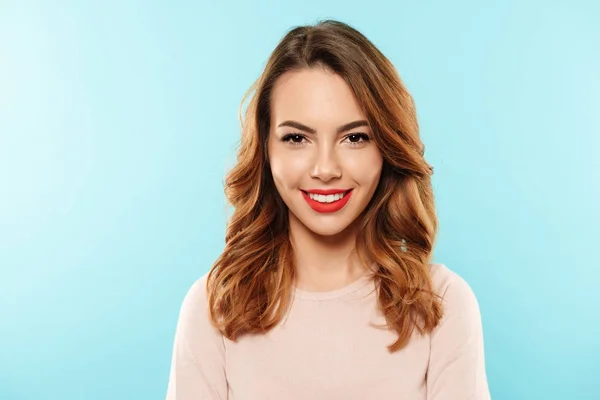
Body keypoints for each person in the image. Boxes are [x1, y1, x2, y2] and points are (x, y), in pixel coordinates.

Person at [165, 19, 490, 400]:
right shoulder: (214, 307)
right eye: (297, 138)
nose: (325, 169)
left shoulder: (441, 304)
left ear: (386, 148)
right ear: (266, 150)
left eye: (354, 137)